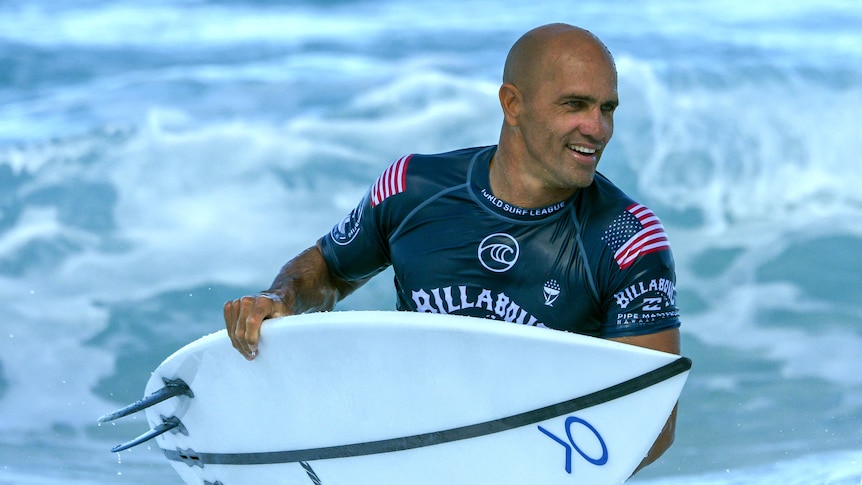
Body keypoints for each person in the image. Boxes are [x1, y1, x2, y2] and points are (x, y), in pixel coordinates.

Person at [224, 23, 682, 475]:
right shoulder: (411, 188)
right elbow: (331, 269)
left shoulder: (628, 240)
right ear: (513, 104)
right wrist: (281, 298)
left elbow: (651, 424)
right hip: (405, 450)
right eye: (575, 106)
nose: (597, 128)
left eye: (608, 109)